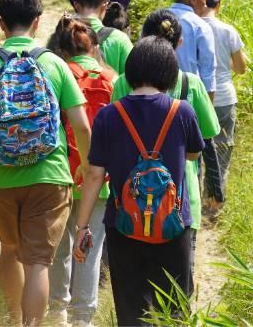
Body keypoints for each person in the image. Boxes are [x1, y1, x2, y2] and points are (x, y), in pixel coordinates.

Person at [0, 0, 91, 327]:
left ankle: (13, 320)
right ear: (37, 22)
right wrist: (88, 168)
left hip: (1, 176)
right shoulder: (54, 63)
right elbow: (81, 124)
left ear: (1, 23)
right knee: (37, 263)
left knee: (9, 248)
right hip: (50, 174)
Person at [74, 37, 205, 326]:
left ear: (130, 72)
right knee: (174, 308)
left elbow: (95, 175)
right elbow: (194, 153)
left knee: (132, 309)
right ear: (170, 73)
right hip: (173, 225)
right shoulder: (182, 111)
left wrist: (82, 227)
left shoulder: (109, 115)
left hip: (124, 225)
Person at [109, 11, 221, 296]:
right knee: (178, 287)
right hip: (180, 198)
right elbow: (205, 139)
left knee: (138, 287)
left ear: (141, 39)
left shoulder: (122, 82)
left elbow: (114, 133)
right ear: (180, 42)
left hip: (131, 195)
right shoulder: (191, 85)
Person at [46, 16, 116, 327]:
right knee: (90, 247)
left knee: (59, 247)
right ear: (95, 48)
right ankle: (83, 319)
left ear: (62, 51)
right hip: (99, 177)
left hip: (61, 173)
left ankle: (56, 312)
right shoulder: (111, 79)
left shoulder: (59, 75)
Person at [201, 0, 247, 218]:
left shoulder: (192, 28)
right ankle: (215, 205)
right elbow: (241, 69)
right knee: (222, 151)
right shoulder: (228, 31)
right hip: (225, 99)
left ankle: (198, 199)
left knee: (197, 151)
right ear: (218, 4)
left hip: (198, 98)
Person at [70, 0, 134, 75]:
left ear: (76, 5)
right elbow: (133, 77)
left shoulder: (63, 35)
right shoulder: (120, 38)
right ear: (104, 6)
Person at [168, 0, 217, 100]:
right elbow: (207, 70)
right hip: (187, 99)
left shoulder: (154, 18)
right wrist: (208, 107)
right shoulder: (200, 26)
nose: (205, 5)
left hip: (154, 98)